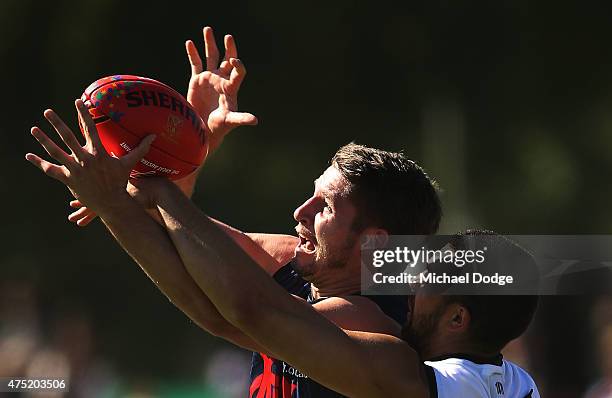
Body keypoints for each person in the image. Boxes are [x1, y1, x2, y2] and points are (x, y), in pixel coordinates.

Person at [26, 28, 442, 397]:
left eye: (326, 206)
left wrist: (132, 194)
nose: (301, 211)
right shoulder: (297, 259)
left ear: (375, 242)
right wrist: (184, 154)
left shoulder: (369, 319)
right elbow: (183, 234)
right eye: (311, 195)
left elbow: (229, 313)